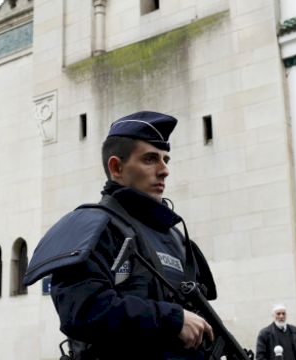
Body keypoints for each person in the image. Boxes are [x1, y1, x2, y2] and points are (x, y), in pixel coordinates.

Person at [23, 111, 217, 359]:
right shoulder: (92, 229)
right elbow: (82, 311)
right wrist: (171, 319)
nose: (164, 170)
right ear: (116, 167)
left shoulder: (177, 239)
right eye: (150, 159)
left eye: (165, 159)